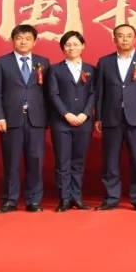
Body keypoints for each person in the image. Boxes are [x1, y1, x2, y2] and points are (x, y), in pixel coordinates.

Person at [94, 24, 136, 211]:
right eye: (120, 36)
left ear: (135, 39)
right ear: (114, 39)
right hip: (111, 116)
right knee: (110, 161)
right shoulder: (105, 62)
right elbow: (100, 92)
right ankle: (111, 198)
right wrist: (99, 116)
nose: (124, 39)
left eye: (129, 36)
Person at [0, 24, 51, 213]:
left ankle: (34, 200)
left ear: (34, 42)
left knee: (36, 161)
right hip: (10, 119)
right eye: (19, 38)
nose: (23, 42)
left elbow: (48, 93)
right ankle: (10, 200)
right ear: (12, 40)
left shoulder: (43, 62)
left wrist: (48, 119)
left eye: (27, 38)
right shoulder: (1, 62)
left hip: (36, 120)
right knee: (11, 161)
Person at [47, 31, 95, 212]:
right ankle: (64, 198)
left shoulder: (91, 69)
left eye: (75, 44)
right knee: (62, 161)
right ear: (62, 48)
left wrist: (85, 114)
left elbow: (94, 94)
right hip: (61, 122)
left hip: (84, 121)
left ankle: (77, 197)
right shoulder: (54, 69)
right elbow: (53, 94)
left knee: (78, 161)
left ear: (83, 46)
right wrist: (66, 114)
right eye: (68, 45)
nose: (72, 48)